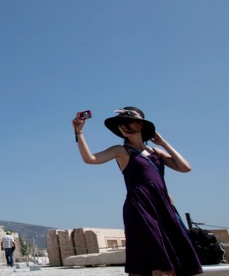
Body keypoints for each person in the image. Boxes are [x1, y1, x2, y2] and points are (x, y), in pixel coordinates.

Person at [72, 106, 202, 276]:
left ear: (140, 125)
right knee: (154, 259)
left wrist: (163, 143)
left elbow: (185, 167)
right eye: (119, 124)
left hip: (162, 205)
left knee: (174, 260)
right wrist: (79, 133)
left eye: (127, 122)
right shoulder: (121, 151)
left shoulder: (156, 152)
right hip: (140, 206)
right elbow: (90, 159)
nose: (122, 126)